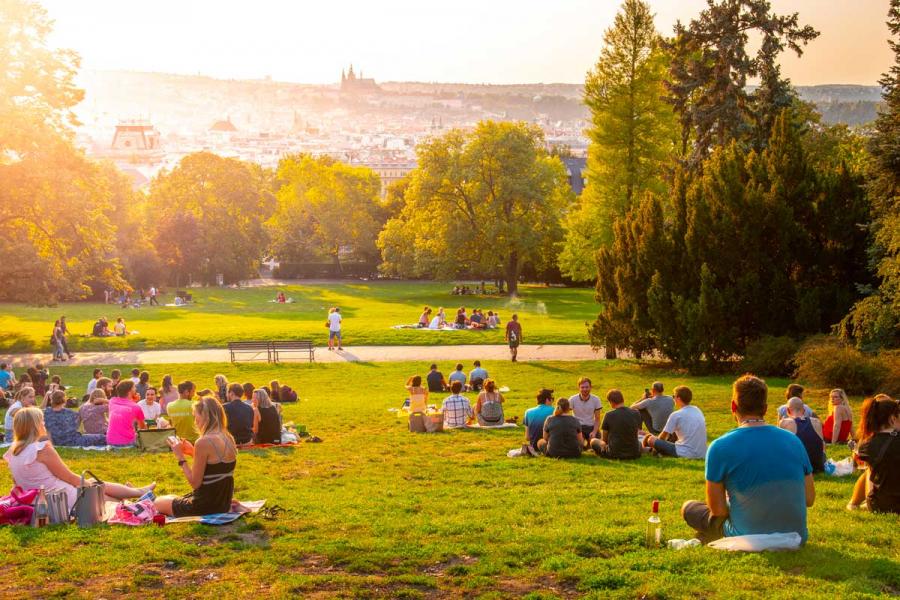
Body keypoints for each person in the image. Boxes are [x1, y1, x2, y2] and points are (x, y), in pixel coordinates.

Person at [681, 375, 815, 544]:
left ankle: (710, 534)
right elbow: (809, 499)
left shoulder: (720, 446)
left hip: (748, 536)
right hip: (796, 535)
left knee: (690, 508)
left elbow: (719, 511)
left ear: (733, 406)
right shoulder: (794, 441)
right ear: (765, 409)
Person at [5, 408, 154, 509]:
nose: (44, 423)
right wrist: (92, 488)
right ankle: (134, 496)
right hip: (59, 499)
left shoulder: (12, 451)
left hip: (35, 501)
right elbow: (69, 477)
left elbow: (18, 483)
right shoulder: (41, 448)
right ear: (36, 425)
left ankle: (136, 492)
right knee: (97, 488)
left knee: (95, 485)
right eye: (42, 420)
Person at [154, 397, 237, 517]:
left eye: (195, 416)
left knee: (158, 502)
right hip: (223, 502)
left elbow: (195, 483)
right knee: (171, 497)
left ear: (205, 416)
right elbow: (217, 467)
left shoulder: (203, 441)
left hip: (205, 506)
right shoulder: (228, 437)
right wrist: (193, 452)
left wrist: (180, 456)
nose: (195, 421)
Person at [850, 395, 900, 514]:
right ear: (892, 419)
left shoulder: (866, 444)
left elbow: (857, 464)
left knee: (871, 469)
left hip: (880, 505)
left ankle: (854, 503)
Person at [644, 386, 708, 460]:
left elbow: (662, 437)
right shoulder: (697, 410)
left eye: (674, 396)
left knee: (651, 439)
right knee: (673, 434)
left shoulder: (676, 415)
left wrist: (656, 444)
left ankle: (653, 451)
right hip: (702, 453)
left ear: (679, 398)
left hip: (686, 452)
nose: (673, 398)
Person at [778, 396, 826, 473]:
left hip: (798, 468)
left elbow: (781, 448)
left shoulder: (785, 423)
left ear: (788, 411)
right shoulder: (817, 422)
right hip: (818, 466)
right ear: (804, 410)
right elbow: (822, 445)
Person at [592, 389, 642, 459]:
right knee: (639, 443)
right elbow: (636, 433)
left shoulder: (609, 415)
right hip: (634, 453)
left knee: (593, 441)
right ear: (622, 399)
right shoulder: (636, 413)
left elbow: (604, 440)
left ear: (611, 402)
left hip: (614, 454)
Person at [106, 380, 146, 446]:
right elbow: (142, 428)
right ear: (130, 391)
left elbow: (124, 405)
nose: (136, 389)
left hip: (110, 441)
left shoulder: (112, 401)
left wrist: (133, 401)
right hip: (127, 443)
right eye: (134, 387)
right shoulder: (136, 407)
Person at [569, 377, 602, 447]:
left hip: (591, 426)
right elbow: (565, 414)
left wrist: (594, 432)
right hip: (578, 427)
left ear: (590, 387)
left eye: (587, 387)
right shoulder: (572, 399)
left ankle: (589, 444)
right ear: (579, 388)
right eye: (582, 387)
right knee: (580, 444)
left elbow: (597, 419)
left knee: (597, 445)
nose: (585, 389)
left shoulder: (596, 399)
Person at [523, 389, 555, 454]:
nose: (552, 401)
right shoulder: (554, 411)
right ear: (547, 399)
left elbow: (527, 437)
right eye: (552, 399)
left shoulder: (528, 412)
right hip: (550, 446)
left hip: (534, 447)